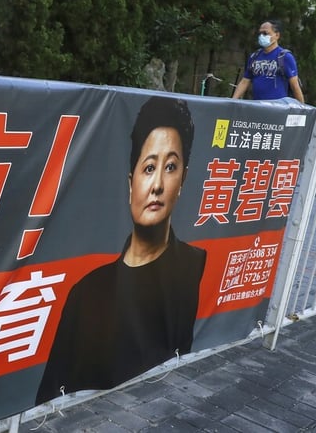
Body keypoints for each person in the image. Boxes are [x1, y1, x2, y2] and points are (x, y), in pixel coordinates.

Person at [35, 97, 207, 404]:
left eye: (170, 167)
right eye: (149, 167)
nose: (156, 185)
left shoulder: (197, 266)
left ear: (182, 180)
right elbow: (48, 397)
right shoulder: (86, 291)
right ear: (131, 183)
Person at [231, 19, 305, 103]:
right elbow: (245, 81)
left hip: (278, 106)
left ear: (277, 35)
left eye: (265, 33)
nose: (261, 36)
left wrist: (302, 107)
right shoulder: (254, 56)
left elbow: (295, 85)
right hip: (258, 105)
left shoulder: (285, 57)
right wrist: (233, 100)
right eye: (260, 33)